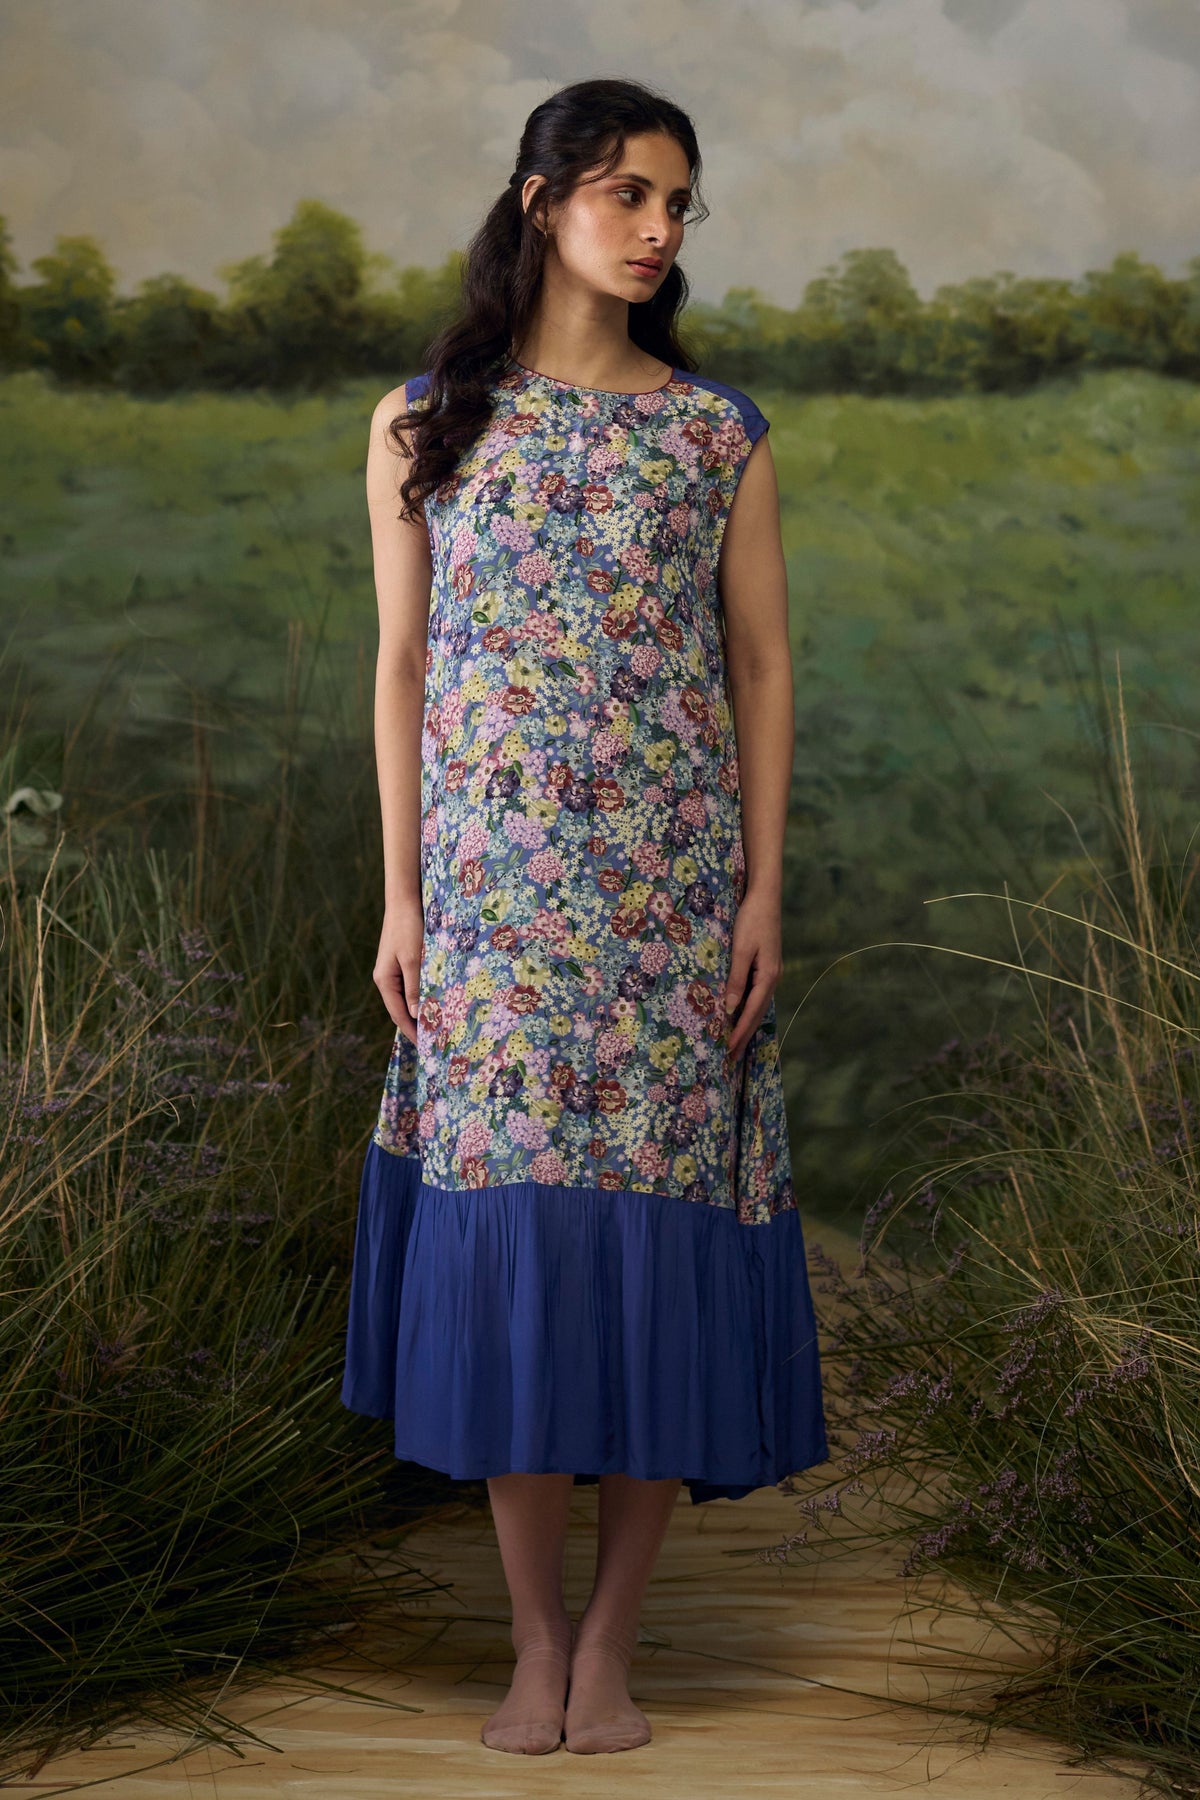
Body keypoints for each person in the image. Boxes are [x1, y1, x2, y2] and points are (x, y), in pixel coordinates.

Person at [340, 75, 829, 1756]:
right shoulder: (424, 424)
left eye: (678, 204)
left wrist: (762, 888)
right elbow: (402, 671)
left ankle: (613, 1647)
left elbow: (760, 667)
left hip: (671, 914)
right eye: (627, 193)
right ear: (540, 196)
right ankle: (530, 1640)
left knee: (658, 1263)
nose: (657, 229)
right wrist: (403, 898)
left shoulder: (717, 434)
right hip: (492, 915)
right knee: (514, 1268)